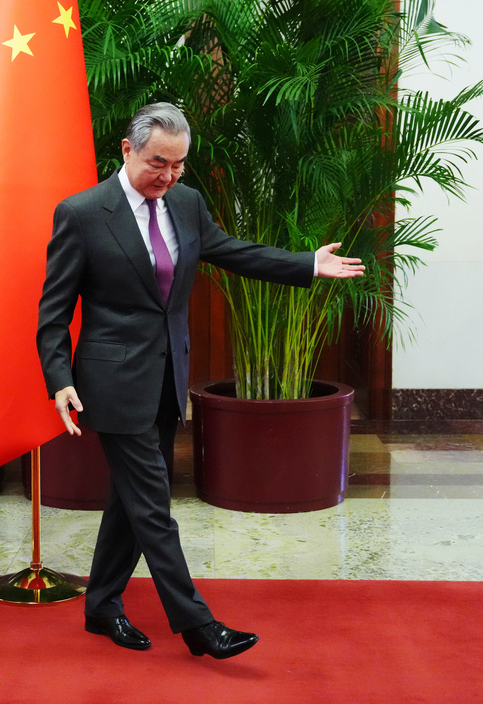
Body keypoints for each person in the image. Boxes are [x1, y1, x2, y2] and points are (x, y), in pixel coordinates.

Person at [37, 103, 364, 659]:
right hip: (111, 385)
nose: (168, 176)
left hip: (167, 379)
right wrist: (58, 378)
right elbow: (53, 308)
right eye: (157, 163)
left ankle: (101, 606)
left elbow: (233, 252)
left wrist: (305, 264)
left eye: (179, 165)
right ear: (127, 149)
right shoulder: (84, 212)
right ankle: (197, 625)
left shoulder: (186, 204)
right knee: (153, 506)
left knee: (131, 500)